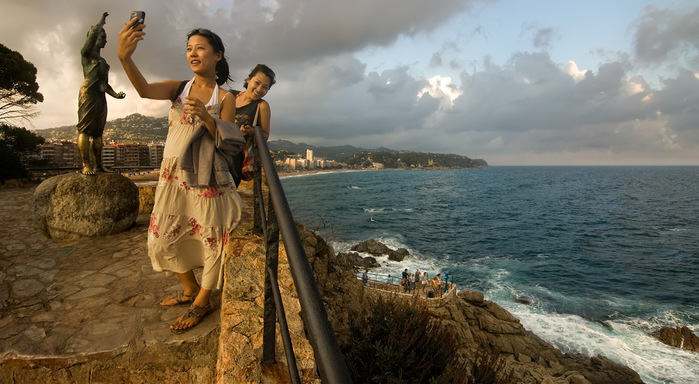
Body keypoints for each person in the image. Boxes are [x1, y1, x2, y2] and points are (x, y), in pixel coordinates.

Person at [118, 18, 245, 333]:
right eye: (189, 48)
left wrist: (206, 117)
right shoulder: (179, 88)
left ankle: (203, 299)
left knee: (212, 239)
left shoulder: (225, 97)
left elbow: (228, 140)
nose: (193, 53)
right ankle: (189, 288)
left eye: (200, 48)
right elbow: (145, 89)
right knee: (161, 239)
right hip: (172, 176)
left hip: (206, 179)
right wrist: (125, 58)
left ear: (217, 55)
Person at [78, 12, 125, 174]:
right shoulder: (87, 55)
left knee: (98, 133)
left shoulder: (104, 62)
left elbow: (105, 85)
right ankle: (86, 165)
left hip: (100, 97)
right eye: (103, 36)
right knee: (85, 130)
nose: (105, 40)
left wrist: (115, 95)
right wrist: (100, 24)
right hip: (88, 95)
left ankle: (98, 165)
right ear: (95, 37)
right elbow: (91, 38)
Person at [229, 64, 276, 186]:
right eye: (257, 83)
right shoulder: (230, 96)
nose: (259, 89)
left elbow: (264, 135)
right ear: (249, 79)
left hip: (235, 160)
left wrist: (250, 132)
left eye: (265, 87)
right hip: (216, 152)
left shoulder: (262, 106)